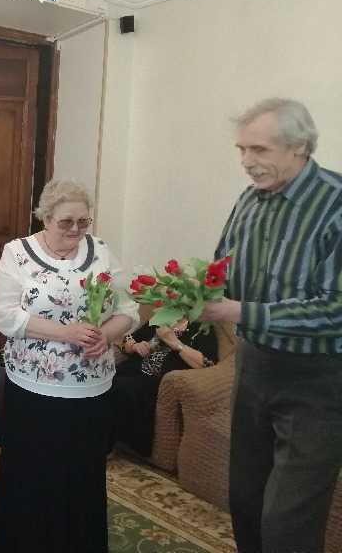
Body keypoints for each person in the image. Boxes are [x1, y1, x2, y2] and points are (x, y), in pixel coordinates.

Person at [201, 98, 342, 553]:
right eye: (242, 149)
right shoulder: (249, 200)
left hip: (317, 380)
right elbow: (221, 267)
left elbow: (336, 308)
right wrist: (190, 291)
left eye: (259, 149)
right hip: (254, 367)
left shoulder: (336, 204)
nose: (246, 161)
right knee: (245, 502)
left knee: (288, 523)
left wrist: (238, 312)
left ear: (299, 146)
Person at [0, 179, 137, 553]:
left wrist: (107, 335)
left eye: (83, 221)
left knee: (82, 474)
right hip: (33, 390)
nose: (75, 229)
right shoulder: (17, 253)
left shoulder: (101, 251)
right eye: (66, 222)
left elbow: (129, 309)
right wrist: (66, 332)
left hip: (91, 391)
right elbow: (6, 317)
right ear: (46, 218)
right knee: (33, 472)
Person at [112, 317, 217, 457]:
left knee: (121, 388)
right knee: (105, 382)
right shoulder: (161, 317)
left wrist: (174, 342)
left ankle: (104, 443)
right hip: (134, 368)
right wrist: (135, 346)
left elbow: (206, 364)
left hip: (158, 380)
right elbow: (127, 340)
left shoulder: (203, 327)